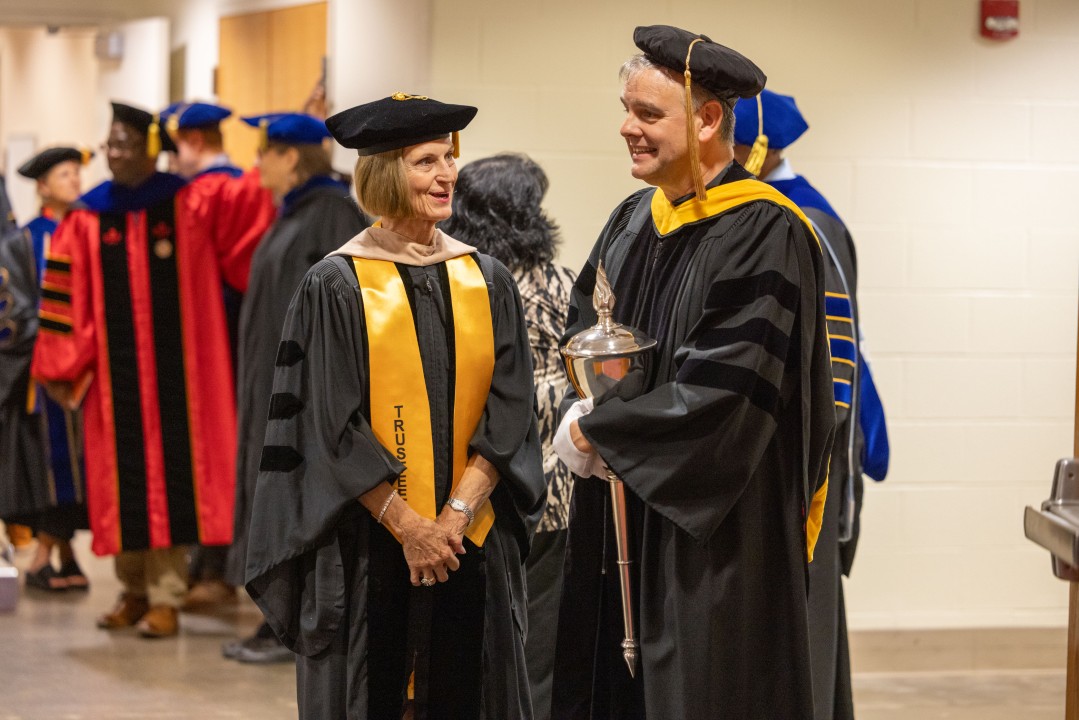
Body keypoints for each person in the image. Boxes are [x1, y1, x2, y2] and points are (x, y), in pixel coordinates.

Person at [549, 26, 836, 719]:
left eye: (647, 114)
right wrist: (576, 407)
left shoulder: (767, 230)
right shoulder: (631, 218)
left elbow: (728, 394)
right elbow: (582, 333)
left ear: (708, 120)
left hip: (714, 540)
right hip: (622, 514)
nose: (625, 128)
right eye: (625, 108)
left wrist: (600, 435)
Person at [244, 93, 546, 719]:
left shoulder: (486, 280)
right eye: (425, 162)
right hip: (368, 543)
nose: (446, 175)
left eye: (448, 159)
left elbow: (509, 410)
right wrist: (411, 528)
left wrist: (453, 519)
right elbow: (329, 422)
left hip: (472, 539)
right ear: (384, 173)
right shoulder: (335, 284)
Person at [30, 101, 273, 638]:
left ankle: (166, 595)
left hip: (179, 382)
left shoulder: (188, 202)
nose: (115, 153)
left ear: (149, 148)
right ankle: (133, 590)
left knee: (174, 479)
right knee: (120, 485)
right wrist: (66, 362)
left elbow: (248, 213)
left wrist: (273, 140)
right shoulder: (88, 216)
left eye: (126, 143)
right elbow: (64, 301)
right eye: (111, 143)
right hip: (114, 386)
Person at [734, 88, 890, 720]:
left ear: (762, 147)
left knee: (806, 631)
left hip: (806, 457)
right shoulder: (759, 209)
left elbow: (837, 361)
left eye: (737, 142)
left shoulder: (807, 221)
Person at [221, 112, 367, 664]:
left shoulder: (328, 213)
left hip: (302, 391)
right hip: (270, 382)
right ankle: (277, 617)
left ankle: (299, 622)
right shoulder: (296, 213)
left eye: (265, 152)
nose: (257, 163)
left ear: (290, 156)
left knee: (291, 493)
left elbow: (336, 310)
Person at [440, 153, 574, 720]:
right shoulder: (565, 284)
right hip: (556, 490)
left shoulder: (462, 282)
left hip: (476, 486)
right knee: (539, 641)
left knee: (476, 638)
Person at [157, 100, 276, 610]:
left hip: (217, 343)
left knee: (216, 446)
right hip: (224, 338)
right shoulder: (240, 188)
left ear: (193, 142)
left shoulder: (211, 193)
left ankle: (216, 565)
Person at [2, 148, 94, 592]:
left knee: (77, 467)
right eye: (64, 173)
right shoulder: (23, 241)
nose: (75, 179)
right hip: (41, 377)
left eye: (78, 172)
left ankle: (64, 553)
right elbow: (15, 313)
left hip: (86, 372)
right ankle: (45, 555)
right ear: (41, 185)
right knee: (49, 466)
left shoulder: (91, 228)